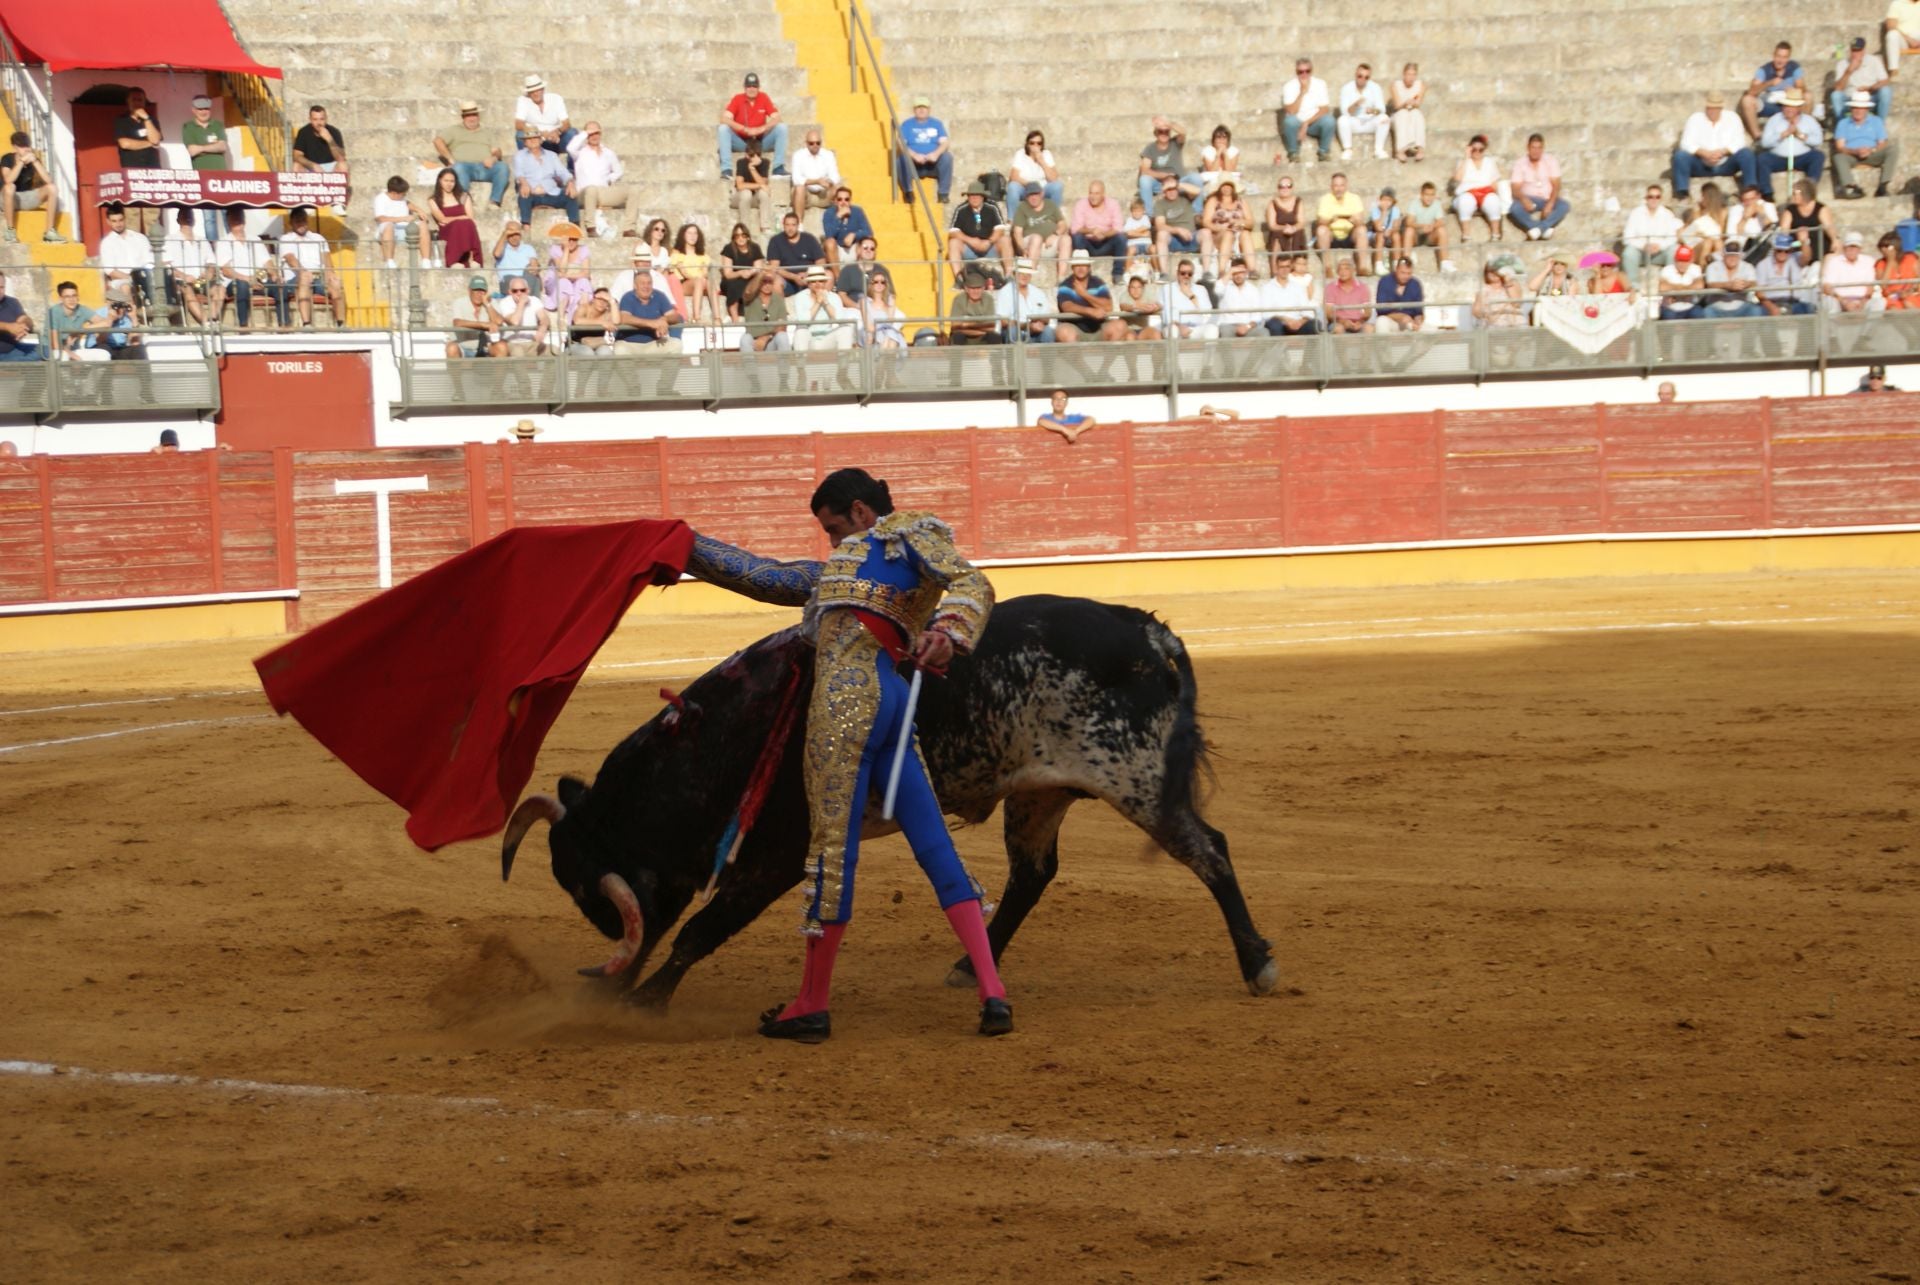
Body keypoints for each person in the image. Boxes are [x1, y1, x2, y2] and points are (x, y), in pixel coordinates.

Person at [683, 469, 1010, 1042]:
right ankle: (992, 991)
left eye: (833, 528)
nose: (832, 542)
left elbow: (970, 582)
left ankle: (811, 1004)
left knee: (832, 852)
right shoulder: (845, 566)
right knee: (934, 843)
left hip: (846, 703)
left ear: (861, 511)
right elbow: (761, 575)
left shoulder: (904, 535)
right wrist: (686, 547)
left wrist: (948, 631)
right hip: (894, 703)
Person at [1672, 91, 1756, 202]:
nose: (1712, 111)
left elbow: (1740, 141)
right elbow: (1685, 143)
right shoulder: (1695, 119)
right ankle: (1682, 192)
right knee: (1680, 156)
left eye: (1715, 108)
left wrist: (1723, 152)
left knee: (1746, 154)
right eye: (1710, 108)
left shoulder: (1732, 118)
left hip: (1726, 162)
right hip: (1701, 163)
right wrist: (1704, 153)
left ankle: (1750, 188)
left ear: (1721, 108)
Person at [434, 101, 510, 209]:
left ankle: (494, 201)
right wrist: (450, 158)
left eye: (474, 115)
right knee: (458, 167)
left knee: (502, 167)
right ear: (463, 117)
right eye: (468, 115)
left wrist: (493, 158)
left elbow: (497, 151)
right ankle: (464, 201)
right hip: (464, 167)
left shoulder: (487, 132)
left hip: (484, 168)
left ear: (478, 116)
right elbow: (437, 141)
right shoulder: (454, 130)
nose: (472, 118)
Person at [280, 207, 346, 327]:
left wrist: (330, 274)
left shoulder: (318, 238)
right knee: (304, 278)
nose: (301, 223)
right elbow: (291, 259)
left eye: (303, 220)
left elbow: (326, 258)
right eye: (298, 221)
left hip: (318, 277)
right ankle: (307, 323)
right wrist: (303, 271)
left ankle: (341, 324)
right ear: (291, 223)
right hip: (296, 278)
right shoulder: (286, 239)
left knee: (336, 282)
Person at [216, 207, 280, 328]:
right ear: (228, 220)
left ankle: (284, 325)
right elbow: (226, 270)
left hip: (258, 281)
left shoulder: (255, 239)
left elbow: (267, 261)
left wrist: (274, 274)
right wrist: (248, 279)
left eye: (239, 216)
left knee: (280, 286)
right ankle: (243, 326)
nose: (237, 220)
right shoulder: (223, 242)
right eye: (234, 217)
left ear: (244, 219)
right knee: (242, 285)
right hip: (235, 283)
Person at [568, 123, 633, 237]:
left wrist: (609, 179)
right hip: (584, 193)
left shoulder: (608, 153)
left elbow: (618, 171)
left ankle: (629, 228)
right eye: (591, 133)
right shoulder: (580, 152)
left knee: (632, 192)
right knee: (591, 189)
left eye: (596, 133)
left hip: (602, 192)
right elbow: (570, 148)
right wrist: (585, 133)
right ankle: (590, 227)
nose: (594, 136)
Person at [718, 72, 788, 179]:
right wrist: (744, 129)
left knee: (782, 128)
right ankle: (726, 170)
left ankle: (778, 168)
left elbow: (777, 118)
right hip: (742, 142)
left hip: (760, 142)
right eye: (749, 86)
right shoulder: (738, 99)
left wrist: (761, 129)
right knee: (723, 129)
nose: (751, 89)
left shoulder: (763, 97)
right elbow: (724, 118)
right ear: (744, 87)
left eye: (754, 86)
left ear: (758, 87)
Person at [1832, 91, 1899, 201]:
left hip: (1872, 153)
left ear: (1867, 109)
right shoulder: (1843, 123)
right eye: (1855, 108)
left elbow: (1883, 142)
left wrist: (1871, 150)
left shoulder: (1876, 121)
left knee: (1893, 149)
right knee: (1838, 157)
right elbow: (1840, 146)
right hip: (1852, 155)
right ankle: (1851, 187)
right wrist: (1855, 151)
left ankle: (1883, 185)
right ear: (1851, 109)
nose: (1858, 111)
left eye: (1861, 108)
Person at [0, 131, 65, 244]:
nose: (26, 149)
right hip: (6, 198)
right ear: (15, 147)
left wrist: (35, 161)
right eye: (22, 146)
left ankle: (49, 233)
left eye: (27, 146)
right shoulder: (7, 158)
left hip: (25, 198)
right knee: (10, 187)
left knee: (52, 188)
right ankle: (10, 231)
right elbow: (8, 180)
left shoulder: (34, 160)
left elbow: (48, 180)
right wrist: (21, 162)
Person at [179, 95, 229, 241]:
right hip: (203, 178)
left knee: (227, 214)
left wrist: (201, 148)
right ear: (193, 110)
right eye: (200, 109)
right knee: (209, 218)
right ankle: (213, 247)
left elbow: (223, 146)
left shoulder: (217, 125)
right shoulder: (188, 127)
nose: (204, 112)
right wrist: (213, 147)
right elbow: (192, 150)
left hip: (222, 177)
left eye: (206, 108)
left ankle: (230, 245)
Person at [946, 181, 1012, 283]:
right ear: (968, 197)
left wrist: (989, 242)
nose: (974, 198)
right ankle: (959, 278)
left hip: (989, 247)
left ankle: (1008, 275)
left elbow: (1000, 229)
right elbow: (953, 232)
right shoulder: (961, 209)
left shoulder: (992, 207)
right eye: (971, 195)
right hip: (969, 248)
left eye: (977, 195)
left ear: (982, 197)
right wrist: (971, 241)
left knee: (1005, 239)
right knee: (953, 242)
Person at [1055, 248, 1126, 342]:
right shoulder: (1065, 285)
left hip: (1098, 328)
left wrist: (1085, 294)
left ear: (1089, 267)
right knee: (1064, 331)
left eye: (1084, 265)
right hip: (1075, 328)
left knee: (1120, 325)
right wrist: (1090, 311)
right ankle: (1076, 352)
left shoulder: (1098, 283)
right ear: (1072, 267)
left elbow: (1108, 306)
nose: (1081, 268)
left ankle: (1109, 352)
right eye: (1077, 265)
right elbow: (1067, 306)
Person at [1757, 91, 1823, 190]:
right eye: (1786, 106)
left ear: (1799, 108)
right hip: (1779, 158)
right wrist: (1783, 135)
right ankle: (1767, 192)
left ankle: (1810, 189)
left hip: (1802, 157)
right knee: (1762, 159)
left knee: (1818, 156)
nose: (1789, 109)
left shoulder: (1809, 120)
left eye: (1792, 106)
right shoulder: (1774, 120)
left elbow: (1818, 140)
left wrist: (1800, 135)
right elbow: (1765, 143)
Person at [512, 131, 579, 228]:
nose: (532, 141)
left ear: (540, 140)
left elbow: (563, 172)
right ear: (525, 143)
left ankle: (575, 226)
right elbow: (519, 173)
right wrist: (524, 183)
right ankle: (526, 226)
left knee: (570, 195)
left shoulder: (551, 155)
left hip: (551, 193)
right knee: (523, 196)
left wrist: (570, 183)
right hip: (532, 193)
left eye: (535, 138)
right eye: (529, 139)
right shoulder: (520, 155)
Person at [1508, 134, 1569, 240]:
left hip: (1547, 197)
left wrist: (1551, 203)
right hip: (1530, 199)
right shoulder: (1520, 163)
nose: (1536, 151)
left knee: (1564, 206)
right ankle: (1541, 228)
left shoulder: (1551, 161)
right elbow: (1515, 188)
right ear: (1528, 148)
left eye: (1539, 148)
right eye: (1533, 148)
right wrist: (1523, 199)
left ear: (1542, 148)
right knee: (1515, 208)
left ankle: (1539, 229)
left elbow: (1556, 185)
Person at [161, 207, 216, 326]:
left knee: (219, 290)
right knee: (187, 290)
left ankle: (213, 319)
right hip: (181, 281)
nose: (187, 219)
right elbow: (166, 266)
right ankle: (207, 323)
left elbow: (211, 263)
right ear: (178, 220)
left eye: (190, 216)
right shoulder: (169, 240)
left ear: (194, 219)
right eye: (184, 216)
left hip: (201, 281)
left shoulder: (202, 240)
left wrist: (209, 272)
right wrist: (184, 276)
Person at [97, 203, 155, 313]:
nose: (118, 224)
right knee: (125, 286)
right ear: (108, 222)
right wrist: (131, 278)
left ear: (125, 219)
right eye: (114, 221)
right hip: (121, 280)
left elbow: (149, 261)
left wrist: (142, 277)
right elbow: (110, 271)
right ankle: (134, 319)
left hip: (143, 276)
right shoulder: (107, 243)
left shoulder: (140, 238)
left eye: (120, 220)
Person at [1739, 42, 1804, 138]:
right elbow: (1751, 92)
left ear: (1788, 58)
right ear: (1773, 56)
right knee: (1747, 100)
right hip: (1769, 104)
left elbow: (1802, 89)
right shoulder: (1764, 70)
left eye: (1784, 57)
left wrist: (1791, 90)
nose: (1780, 60)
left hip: (1788, 104)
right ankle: (1757, 136)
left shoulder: (1794, 68)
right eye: (1778, 56)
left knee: (1808, 96)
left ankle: (1800, 130)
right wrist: (1769, 83)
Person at [291, 104, 349, 211]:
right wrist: (312, 165)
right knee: (296, 165)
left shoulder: (334, 132)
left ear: (326, 119)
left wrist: (329, 139)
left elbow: (341, 158)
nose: (319, 123)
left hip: (330, 167)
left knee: (343, 165)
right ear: (310, 119)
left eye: (322, 119)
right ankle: (306, 202)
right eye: (315, 119)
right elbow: (297, 155)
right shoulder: (304, 132)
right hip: (311, 168)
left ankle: (338, 202)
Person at [1278, 58, 1335, 164]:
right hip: (1297, 123)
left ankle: (1324, 151)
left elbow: (1324, 109)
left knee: (1329, 121)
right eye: (1300, 72)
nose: (1304, 74)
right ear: (1296, 72)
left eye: (1307, 71)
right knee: (1289, 121)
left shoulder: (1320, 84)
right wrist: (1302, 92)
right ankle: (1293, 152)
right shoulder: (1289, 86)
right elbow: (1291, 111)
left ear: (1311, 71)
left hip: (1314, 122)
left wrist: (1306, 123)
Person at [896, 95, 952, 201]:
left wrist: (935, 154)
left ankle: (943, 194)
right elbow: (901, 143)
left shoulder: (936, 124)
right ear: (914, 110)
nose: (921, 110)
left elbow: (945, 142)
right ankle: (908, 192)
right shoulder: (907, 124)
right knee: (901, 159)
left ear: (929, 110)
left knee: (947, 157)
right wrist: (914, 155)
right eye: (919, 107)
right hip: (914, 163)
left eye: (924, 107)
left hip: (932, 162)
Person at [790, 264, 855, 355]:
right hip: (809, 338)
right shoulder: (800, 297)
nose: (817, 284)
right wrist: (817, 303)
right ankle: (801, 363)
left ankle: (844, 363)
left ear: (825, 282)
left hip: (827, 338)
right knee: (801, 331)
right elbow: (803, 321)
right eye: (813, 281)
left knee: (845, 329)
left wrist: (825, 302)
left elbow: (840, 319)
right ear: (808, 283)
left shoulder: (834, 297)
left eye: (821, 281)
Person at [1622, 184, 1684, 278]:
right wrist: (1643, 246)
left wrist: (1660, 246)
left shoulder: (1667, 214)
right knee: (1628, 253)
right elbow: (1627, 238)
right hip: (1641, 252)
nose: (1654, 200)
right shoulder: (1636, 213)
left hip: (1660, 252)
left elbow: (1672, 238)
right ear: (1646, 198)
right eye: (1651, 197)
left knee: (1674, 249)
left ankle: (1669, 281)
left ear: (1661, 199)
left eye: (1657, 197)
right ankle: (1633, 285)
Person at [1137, 116, 1200, 206]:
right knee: (1144, 180)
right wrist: (1164, 175)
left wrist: (1167, 123)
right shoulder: (1150, 148)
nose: (1164, 134)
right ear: (1156, 133)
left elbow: (1183, 132)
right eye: (1160, 131)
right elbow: (1144, 170)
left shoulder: (1175, 143)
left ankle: (1197, 211)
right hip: (1160, 184)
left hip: (1179, 181)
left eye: (1166, 131)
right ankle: (1148, 212)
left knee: (1196, 178)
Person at [1452, 135, 1505, 242]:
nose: (1477, 152)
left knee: (1493, 201)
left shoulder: (1489, 162)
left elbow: (1494, 183)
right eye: (1474, 149)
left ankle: (1496, 234)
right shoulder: (1464, 162)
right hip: (1468, 192)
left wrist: (1494, 195)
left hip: (1485, 192)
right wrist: (1466, 157)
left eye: (1480, 150)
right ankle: (1466, 235)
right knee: (1465, 201)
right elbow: (1457, 178)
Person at [427, 167, 482, 268]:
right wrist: (461, 217)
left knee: (468, 223)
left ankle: (472, 259)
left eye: (452, 181)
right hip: (448, 230)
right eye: (446, 181)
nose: (449, 184)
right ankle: (453, 260)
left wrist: (455, 219)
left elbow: (470, 217)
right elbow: (442, 219)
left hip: (465, 227)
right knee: (460, 224)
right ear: (440, 181)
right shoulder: (433, 200)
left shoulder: (463, 196)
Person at [614, 270, 681, 354]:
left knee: (676, 344)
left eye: (649, 283)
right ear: (635, 285)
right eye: (642, 283)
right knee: (620, 349)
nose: (646, 286)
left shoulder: (659, 296)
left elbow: (675, 316)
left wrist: (663, 319)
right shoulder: (627, 297)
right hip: (630, 344)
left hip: (654, 343)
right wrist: (652, 323)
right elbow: (625, 318)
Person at [514, 74, 577, 163]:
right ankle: (529, 166)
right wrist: (540, 133)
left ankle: (572, 168)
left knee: (572, 133)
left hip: (556, 137)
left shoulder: (556, 99)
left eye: (538, 90)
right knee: (520, 134)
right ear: (528, 93)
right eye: (532, 91)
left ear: (543, 89)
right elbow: (518, 124)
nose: (536, 93)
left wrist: (557, 132)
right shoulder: (523, 101)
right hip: (535, 136)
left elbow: (566, 123)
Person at [1070, 179, 1127, 276]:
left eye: (1096, 193)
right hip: (1088, 243)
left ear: (1103, 194)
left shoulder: (1113, 204)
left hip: (1107, 241)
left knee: (1121, 238)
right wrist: (1091, 231)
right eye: (1091, 193)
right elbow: (1075, 228)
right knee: (1077, 237)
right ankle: (1084, 273)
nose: (1093, 197)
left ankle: (1118, 273)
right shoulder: (1081, 204)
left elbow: (1118, 228)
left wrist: (1104, 234)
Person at [1315, 172, 1368, 274]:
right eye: (1336, 186)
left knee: (1362, 230)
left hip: (1350, 233)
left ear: (1346, 186)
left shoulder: (1354, 198)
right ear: (1331, 187)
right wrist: (1331, 220)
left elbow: (1360, 221)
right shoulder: (1325, 199)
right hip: (1332, 234)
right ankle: (1327, 267)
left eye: (1341, 185)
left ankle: (1362, 267)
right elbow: (1321, 221)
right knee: (1321, 230)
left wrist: (1354, 220)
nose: (1339, 189)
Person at [1010, 185, 1069, 276]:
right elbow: (1017, 233)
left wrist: (1055, 234)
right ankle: (1030, 275)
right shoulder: (1022, 207)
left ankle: (1061, 277)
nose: (1033, 197)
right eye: (1030, 195)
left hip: (1050, 244)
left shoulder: (1050, 204)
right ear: (1026, 196)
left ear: (1042, 194)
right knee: (1037, 238)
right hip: (1030, 244)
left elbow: (1063, 224)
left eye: (1036, 194)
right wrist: (1023, 249)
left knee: (1066, 239)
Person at [1336, 63, 1390, 161]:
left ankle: (1379, 150)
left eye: (1366, 77)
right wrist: (1356, 105)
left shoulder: (1375, 87)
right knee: (1342, 120)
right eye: (1360, 76)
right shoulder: (1346, 88)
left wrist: (1373, 111)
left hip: (1370, 121)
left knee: (1384, 118)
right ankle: (1347, 149)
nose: (1363, 79)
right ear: (1355, 74)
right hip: (1354, 121)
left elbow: (1382, 109)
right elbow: (1344, 112)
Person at [1831, 36, 1892, 123]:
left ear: (1863, 51)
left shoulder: (1874, 61)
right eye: (1853, 51)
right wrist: (1848, 71)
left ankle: (1880, 124)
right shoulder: (1842, 64)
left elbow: (1885, 81)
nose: (1855, 54)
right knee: (1835, 95)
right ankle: (1842, 125)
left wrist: (1870, 88)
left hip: (1870, 98)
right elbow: (1838, 88)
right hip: (1850, 98)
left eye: (1858, 51)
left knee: (1886, 91)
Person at [1201, 180, 1253, 280]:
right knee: (1228, 234)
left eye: (1229, 186)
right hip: (1219, 234)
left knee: (1246, 234)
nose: (1226, 188)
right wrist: (1220, 228)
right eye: (1224, 186)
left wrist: (1239, 222)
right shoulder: (1213, 201)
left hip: (1238, 232)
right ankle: (1222, 270)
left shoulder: (1241, 201)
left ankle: (1252, 269)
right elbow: (1206, 221)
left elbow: (1250, 222)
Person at [543, 223, 592, 327]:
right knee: (564, 283)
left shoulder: (583, 249)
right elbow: (562, 269)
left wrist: (567, 275)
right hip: (557, 284)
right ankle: (561, 318)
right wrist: (566, 249)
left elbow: (586, 274)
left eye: (574, 239)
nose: (571, 242)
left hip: (575, 282)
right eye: (568, 239)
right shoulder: (555, 249)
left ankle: (584, 314)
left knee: (584, 282)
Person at [1152, 175, 1201, 277]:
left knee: (1206, 233)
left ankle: (1206, 273)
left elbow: (1197, 191)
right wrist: (1177, 230)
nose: (1171, 192)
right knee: (1161, 234)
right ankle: (1164, 273)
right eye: (1168, 189)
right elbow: (1159, 225)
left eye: (1174, 189)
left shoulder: (1185, 198)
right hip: (1174, 239)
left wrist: (1177, 184)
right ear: (1164, 190)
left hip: (1191, 236)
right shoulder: (1160, 204)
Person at [789, 129, 842, 224]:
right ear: (806, 143)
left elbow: (835, 176)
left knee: (839, 189)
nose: (815, 145)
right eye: (811, 143)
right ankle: (799, 224)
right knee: (799, 188)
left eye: (818, 143)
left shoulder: (828, 155)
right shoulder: (798, 155)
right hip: (806, 194)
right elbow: (796, 179)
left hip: (824, 193)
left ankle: (840, 222)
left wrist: (829, 182)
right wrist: (817, 181)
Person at [372, 176, 426, 268]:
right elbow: (380, 218)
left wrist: (419, 210)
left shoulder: (401, 198)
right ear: (394, 193)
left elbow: (407, 203)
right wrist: (403, 218)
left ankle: (426, 261)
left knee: (423, 225)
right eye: (403, 194)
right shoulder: (380, 199)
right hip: (387, 231)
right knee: (389, 226)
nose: (404, 196)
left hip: (404, 230)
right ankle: (389, 261)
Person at [768, 210, 826, 296]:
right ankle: (780, 305)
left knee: (829, 275)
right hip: (787, 280)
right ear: (783, 225)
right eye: (787, 225)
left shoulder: (809, 239)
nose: (790, 228)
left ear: (798, 225)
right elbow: (775, 267)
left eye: (793, 225)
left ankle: (822, 301)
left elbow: (821, 262)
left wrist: (808, 274)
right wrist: (794, 277)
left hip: (810, 279)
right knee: (775, 280)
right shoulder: (775, 241)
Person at [669, 223, 715, 328]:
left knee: (709, 282)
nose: (692, 236)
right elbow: (684, 273)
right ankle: (696, 317)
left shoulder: (703, 255)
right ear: (683, 235)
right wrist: (699, 277)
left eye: (695, 233)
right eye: (689, 233)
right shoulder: (677, 253)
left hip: (699, 282)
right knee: (700, 280)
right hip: (683, 284)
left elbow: (705, 272)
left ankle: (717, 317)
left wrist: (701, 277)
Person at [999, 257, 1056, 343]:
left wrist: (1039, 322)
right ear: (1014, 273)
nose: (1025, 276)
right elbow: (1003, 322)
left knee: (1048, 331)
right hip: (1016, 331)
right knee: (1013, 331)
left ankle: (1047, 352)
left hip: (1036, 331)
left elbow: (1047, 318)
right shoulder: (1005, 292)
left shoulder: (1038, 293)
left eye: (1028, 273)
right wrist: (1026, 326)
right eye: (1021, 273)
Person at [1778, 179, 1833, 267]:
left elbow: (1831, 230)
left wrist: (1835, 241)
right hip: (1798, 251)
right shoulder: (1790, 211)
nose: (1793, 196)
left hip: (1819, 251)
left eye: (1795, 193)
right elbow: (1784, 233)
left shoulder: (1821, 209)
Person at [447, 275, 504, 358]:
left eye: (482, 290)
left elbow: (498, 321)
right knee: (451, 348)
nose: (479, 294)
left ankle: (499, 367)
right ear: (469, 291)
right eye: (476, 290)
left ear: (486, 292)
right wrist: (484, 325)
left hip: (488, 347)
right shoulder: (459, 302)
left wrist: (487, 304)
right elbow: (457, 322)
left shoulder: (491, 302)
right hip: (464, 347)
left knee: (502, 347)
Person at [1822, 232, 1878, 314]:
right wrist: (1844, 302)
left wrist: (1862, 303)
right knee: (1829, 303)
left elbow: (1870, 287)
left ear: (1860, 249)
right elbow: (1827, 287)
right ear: (1844, 248)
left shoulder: (1868, 261)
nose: (1852, 250)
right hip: (1839, 300)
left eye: (1855, 247)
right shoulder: (1834, 262)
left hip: (1862, 300)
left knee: (1878, 303)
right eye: (1849, 247)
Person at [1402, 180, 1452, 274]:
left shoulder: (1436, 204)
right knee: (1409, 230)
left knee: (1441, 230)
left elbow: (1441, 221)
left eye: (1432, 195)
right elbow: (1409, 222)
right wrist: (1422, 226)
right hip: (1416, 236)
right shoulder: (1414, 204)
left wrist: (1431, 226)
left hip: (1429, 235)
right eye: (1427, 195)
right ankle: (1406, 261)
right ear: (1421, 195)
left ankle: (1445, 263)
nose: (1429, 198)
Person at [1754, 233, 1810, 316]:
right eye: (1779, 250)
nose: (1783, 253)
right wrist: (1771, 308)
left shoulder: (1795, 259)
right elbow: (1759, 292)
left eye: (1786, 251)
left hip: (1793, 303)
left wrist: (1804, 242)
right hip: (1770, 303)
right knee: (1756, 311)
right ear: (1774, 249)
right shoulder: (1763, 264)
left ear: (1791, 250)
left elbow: (1807, 258)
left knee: (1808, 308)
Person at [719, 223, 766, 320]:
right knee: (733, 285)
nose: (740, 238)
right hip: (733, 278)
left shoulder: (755, 248)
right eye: (737, 236)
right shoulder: (729, 248)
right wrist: (741, 273)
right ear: (734, 238)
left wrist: (750, 272)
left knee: (760, 281)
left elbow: (758, 268)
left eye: (743, 235)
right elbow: (728, 274)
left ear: (747, 236)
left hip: (750, 277)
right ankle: (735, 318)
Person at [946, 266, 1004, 346]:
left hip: (982, 337)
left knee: (994, 337)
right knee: (958, 336)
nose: (976, 291)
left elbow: (991, 327)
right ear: (966, 288)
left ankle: (993, 355)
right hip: (965, 337)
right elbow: (955, 327)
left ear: (983, 288)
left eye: (978, 288)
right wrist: (981, 326)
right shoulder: (958, 299)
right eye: (972, 288)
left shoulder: (988, 299)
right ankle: (958, 355)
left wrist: (966, 325)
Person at [1702, 242, 1761, 318]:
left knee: (1756, 310)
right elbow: (1710, 284)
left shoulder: (1748, 266)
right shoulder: (1712, 267)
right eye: (1729, 255)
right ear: (1723, 255)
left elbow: (1753, 282)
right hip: (1717, 308)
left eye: (1735, 255)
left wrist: (1745, 284)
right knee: (1706, 312)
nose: (1732, 258)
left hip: (1742, 307)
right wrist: (1729, 285)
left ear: (1740, 255)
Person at [1213, 256, 1267, 338]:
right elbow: (1217, 290)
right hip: (1228, 325)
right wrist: (1230, 272)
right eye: (1236, 272)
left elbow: (1257, 316)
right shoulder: (1225, 286)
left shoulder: (1253, 290)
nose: (1238, 276)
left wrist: (1247, 327)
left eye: (1241, 272)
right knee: (1225, 331)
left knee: (1264, 332)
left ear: (1246, 272)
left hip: (1247, 327)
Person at [821, 186, 875, 267]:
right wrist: (838, 217)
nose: (843, 202)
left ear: (850, 201)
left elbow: (869, 232)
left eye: (846, 199)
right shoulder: (829, 213)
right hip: (838, 249)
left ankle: (862, 272)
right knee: (829, 243)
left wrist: (854, 235)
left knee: (866, 243)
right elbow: (829, 234)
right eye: (840, 199)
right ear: (835, 201)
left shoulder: (857, 211)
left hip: (854, 248)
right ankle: (837, 274)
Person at [1162, 256, 1216, 338]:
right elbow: (1166, 314)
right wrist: (1179, 326)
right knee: (1173, 330)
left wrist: (1191, 296)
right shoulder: (1168, 288)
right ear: (1177, 273)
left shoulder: (1201, 289)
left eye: (1189, 274)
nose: (1186, 276)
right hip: (1175, 326)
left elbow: (1207, 312)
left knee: (1212, 329)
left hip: (1196, 328)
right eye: (1183, 273)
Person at [1007, 129, 1063, 207]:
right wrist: (1031, 185)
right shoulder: (1021, 154)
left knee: (1057, 186)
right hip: (1025, 188)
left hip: (1042, 189)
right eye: (1032, 143)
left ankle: (1054, 213)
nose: (1035, 146)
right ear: (1027, 144)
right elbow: (1014, 176)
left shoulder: (1046, 154)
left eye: (1039, 143)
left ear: (1042, 145)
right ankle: (1012, 215)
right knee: (1012, 187)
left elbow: (1053, 178)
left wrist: (1042, 162)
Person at [740, 268, 790, 353]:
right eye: (764, 281)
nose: (767, 285)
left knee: (782, 336)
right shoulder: (751, 298)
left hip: (771, 340)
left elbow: (782, 326)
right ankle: (749, 362)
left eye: (770, 282)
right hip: (754, 340)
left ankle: (785, 362)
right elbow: (748, 291)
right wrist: (761, 274)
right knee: (745, 339)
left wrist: (765, 338)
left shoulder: (778, 299)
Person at [1263, 175, 1307, 274]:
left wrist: (1293, 228)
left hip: (1295, 230)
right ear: (1278, 188)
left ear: (1292, 188)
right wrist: (1285, 228)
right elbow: (1272, 225)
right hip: (1279, 230)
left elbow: (1301, 222)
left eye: (1288, 186)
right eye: (1281, 186)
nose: (1285, 189)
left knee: (1298, 233)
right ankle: (1275, 271)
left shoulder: (1298, 201)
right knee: (1277, 236)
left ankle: (1297, 268)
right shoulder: (1272, 203)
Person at [732, 139, 773, 235]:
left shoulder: (765, 162)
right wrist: (760, 185)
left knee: (764, 193)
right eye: (752, 155)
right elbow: (740, 185)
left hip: (754, 197)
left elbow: (763, 182)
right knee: (746, 193)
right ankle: (745, 229)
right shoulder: (741, 162)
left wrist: (752, 168)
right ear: (746, 155)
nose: (755, 158)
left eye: (758, 155)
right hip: (739, 197)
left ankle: (765, 227)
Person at [47, 279, 97, 358]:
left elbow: (105, 323)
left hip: (73, 349)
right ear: (60, 298)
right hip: (52, 351)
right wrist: (73, 356)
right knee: (63, 356)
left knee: (104, 354)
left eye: (74, 295)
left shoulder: (82, 309)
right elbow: (55, 345)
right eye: (67, 296)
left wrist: (80, 330)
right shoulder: (53, 312)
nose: (72, 299)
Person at [860, 270, 906, 353]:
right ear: (871, 284)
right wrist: (882, 330)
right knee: (889, 336)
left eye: (882, 282)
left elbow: (890, 321)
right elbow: (868, 326)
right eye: (876, 282)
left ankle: (885, 358)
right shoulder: (865, 301)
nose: (879, 284)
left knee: (890, 336)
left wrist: (891, 303)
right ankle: (885, 358)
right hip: (871, 333)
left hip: (887, 332)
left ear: (886, 285)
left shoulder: (889, 301)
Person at [0, 270, 42, 360]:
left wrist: (24, 324)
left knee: (45, 351)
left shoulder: (12, 302)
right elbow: (9, 327)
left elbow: (26, 319)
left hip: (12, 350)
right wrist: (8, 327)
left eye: (1, 287)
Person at [1323, 257, 1372, 334]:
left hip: (1358, 322)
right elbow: (1328, 313)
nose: (1343, 272)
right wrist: (1343, 322)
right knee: (1338, 328)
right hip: (1338, 322)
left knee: (1369, 328)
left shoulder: (1362, 287)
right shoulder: (1330, 287)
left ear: (1353, 270)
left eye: (1346, 269)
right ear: (1337, 272)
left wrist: (1360, 322)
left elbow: (1368, 312)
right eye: (1340, 269)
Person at [1683, 183, 1729, 264]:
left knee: (1717, 242)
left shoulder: (1722, 212)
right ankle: (1703, 268)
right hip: (1697, 244)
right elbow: (1689, 231)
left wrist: (1709, 237)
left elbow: (1721, 234)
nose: (1700, 199)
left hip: (1715, 241)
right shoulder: (1697, 211)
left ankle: (1720, 267)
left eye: (1702, 196)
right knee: (1708, 242)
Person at [1375, 255, 1425, 330]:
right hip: (1391, 321)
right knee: (1381, 321)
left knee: (1430, 330)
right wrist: (1400, 316)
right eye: (1403, 273)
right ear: (1396, 269)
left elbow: (1419, 311)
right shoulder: (1385, 282)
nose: (1406, 276)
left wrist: (1418, 320)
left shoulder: (1415, 284)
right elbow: (1381, 310)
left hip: (1410, 322)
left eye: (1409, 273)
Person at [1471, 261, 1526, 328]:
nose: (1493, 274)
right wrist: (1485, 314)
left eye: (1497, 271)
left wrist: (1508, 281)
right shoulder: (1484, 289)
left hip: (1513, 325)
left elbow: (1517, 303)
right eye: (1490, 271)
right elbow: (1476, 311)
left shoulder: (1512, 284)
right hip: (1491, 326)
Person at [1112, 270, 1164, 340]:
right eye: (1133, 287)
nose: (1136, 290)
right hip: (1128, 329)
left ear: (1143, 288)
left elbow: (1159, 305)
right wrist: (1137, 307)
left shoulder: (1147, 294)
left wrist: (1153, 308)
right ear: (1128, 288)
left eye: (1139, 287)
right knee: (1130, 337)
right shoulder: (1124, 295)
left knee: (1155, 334)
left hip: (1143, 329)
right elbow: (1123, 306)